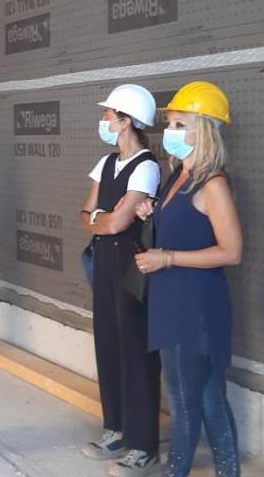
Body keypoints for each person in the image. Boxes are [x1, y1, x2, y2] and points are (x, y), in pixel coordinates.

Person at [134, 81, 242, 477]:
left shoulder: (212, 184)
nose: (170, 132)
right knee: (206, 395)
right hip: (172, 302)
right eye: (170, 124)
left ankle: (177, 470)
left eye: (180, 125)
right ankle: (228, 471)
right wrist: (151, 208)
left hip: (196, 309)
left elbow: (231, 252)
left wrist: (167, 258)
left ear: (205, 131)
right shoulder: (177, 175)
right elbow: (182, 223)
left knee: (187, 400)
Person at [80, 84, 163, 476]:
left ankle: (143, 446)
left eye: (109, 113)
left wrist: (101, 219)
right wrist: (102, 218)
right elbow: (86, 215)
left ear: (126, 120)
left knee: (136, 351)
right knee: (108, 344)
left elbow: (117, 222)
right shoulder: (105, 162)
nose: (104, 119)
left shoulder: (147, 166)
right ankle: (115, 429)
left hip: (132, 265)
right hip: (103, 260)